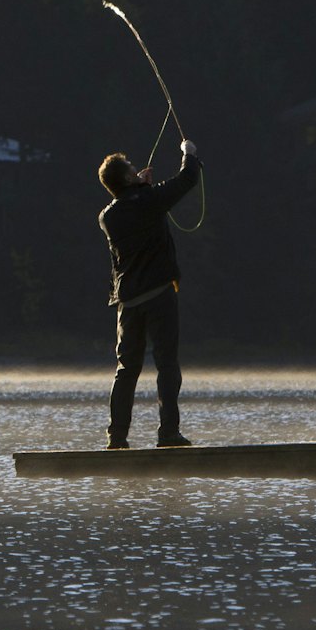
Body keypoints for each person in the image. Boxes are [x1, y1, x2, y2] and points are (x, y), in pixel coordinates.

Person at [96, 139, 202, 449]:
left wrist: (139, 188)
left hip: (128, 302)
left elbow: (134, 206)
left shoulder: (107, 216)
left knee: (126, 370)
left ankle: (117, 438)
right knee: (167, 364)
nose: (136, 170)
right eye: (131, 169)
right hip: (158, 294)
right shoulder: (149, 200)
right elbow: (187, 179)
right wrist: (189, 154)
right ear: (128, 178)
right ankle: (168, 434)